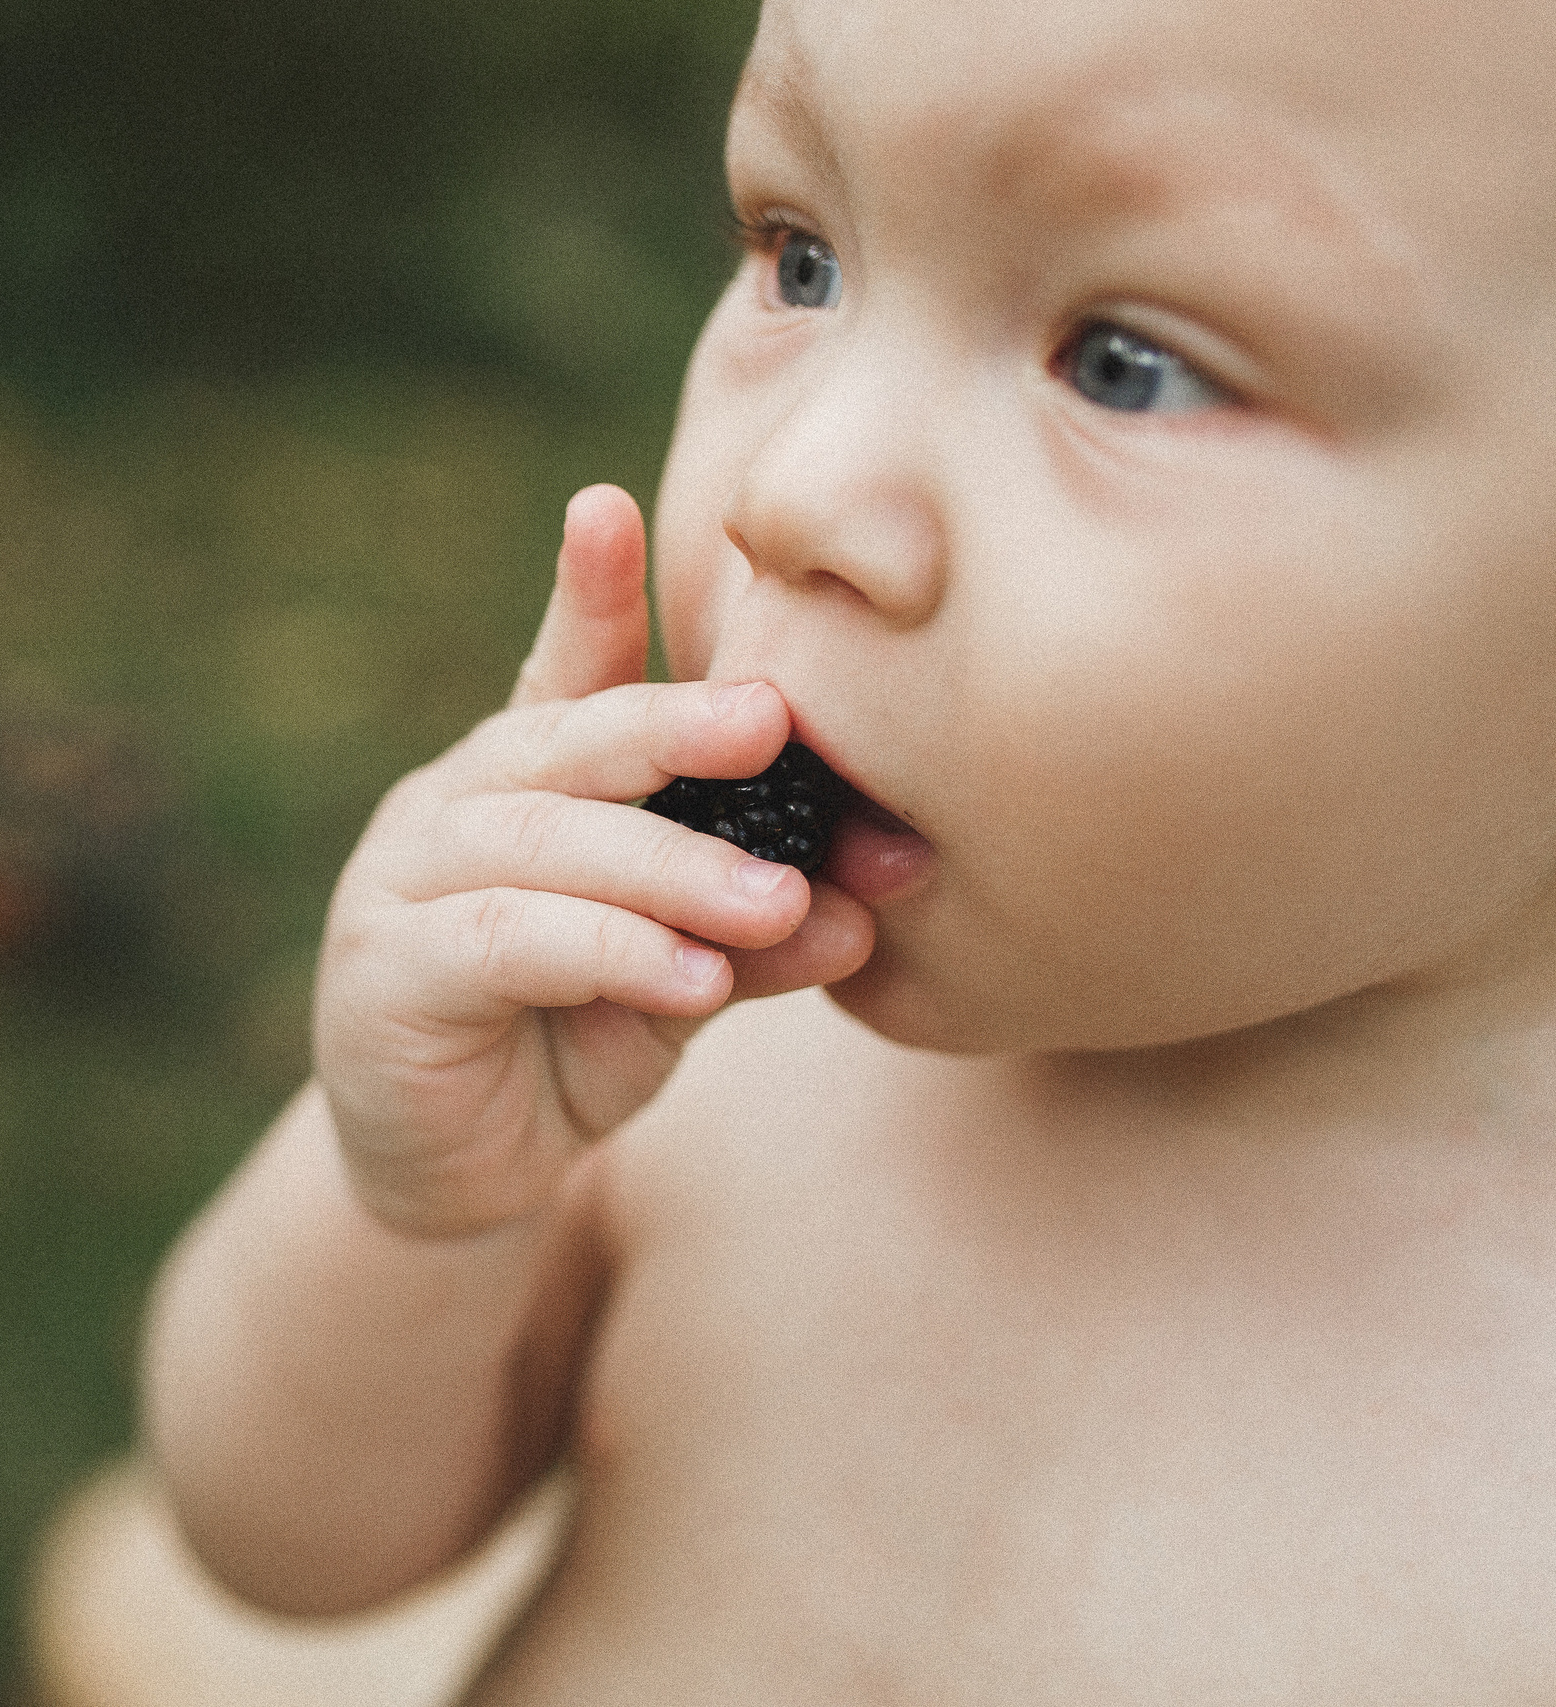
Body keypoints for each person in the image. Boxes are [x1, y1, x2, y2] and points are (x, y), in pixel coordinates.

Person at [108, 0, 1556, 1698]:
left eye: (1125, 365)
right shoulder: (722, 1047)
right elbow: (275, 1545)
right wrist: (418, 1210)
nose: (791, 490)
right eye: (801, 257)